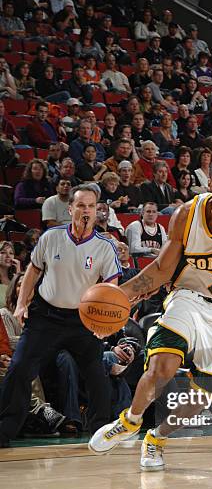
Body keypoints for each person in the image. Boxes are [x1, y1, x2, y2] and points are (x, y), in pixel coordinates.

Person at [88, 155, 212, 466]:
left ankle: (158, 436)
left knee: (201, 398)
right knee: (161, 366)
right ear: (210, 185)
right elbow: (160, 270)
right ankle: (131, 420)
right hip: (191, 298)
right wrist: (119, 295)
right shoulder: (187, 213)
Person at [0, 184, 122, 448]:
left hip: (83, 319)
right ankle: (5, 429)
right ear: (71, 209)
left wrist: (106, 322)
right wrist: (21, 304)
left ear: (97, 211)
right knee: (20, 367)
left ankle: (100, 432)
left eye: (91, 206)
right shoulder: (51, 236)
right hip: (46, 316)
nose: (86, 210)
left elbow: (112, 288)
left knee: (97, 375)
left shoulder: (105, 247)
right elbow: (32, 271)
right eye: (81, 205)